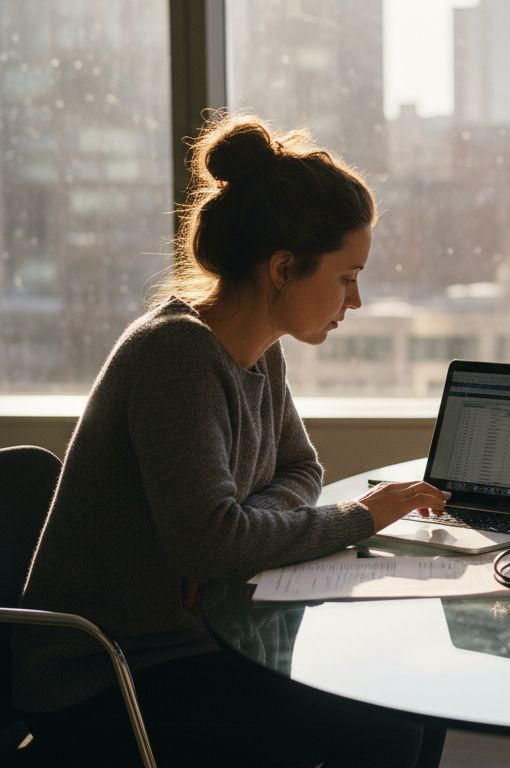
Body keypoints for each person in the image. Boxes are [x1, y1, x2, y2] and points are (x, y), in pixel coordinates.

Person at [13, 113, 449, 767]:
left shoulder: (258, 353)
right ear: (282, 267)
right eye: (347, 276)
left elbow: (302, 469)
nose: (355, 301)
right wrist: (361, 516)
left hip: (192, 644)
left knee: (412, 707)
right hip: (109, 677)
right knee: (388, 728)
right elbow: (211, 540)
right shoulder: (176, 356)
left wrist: (234, 536)